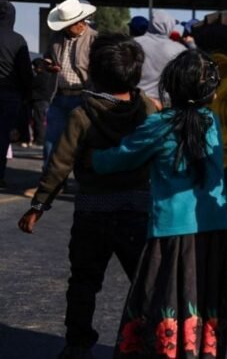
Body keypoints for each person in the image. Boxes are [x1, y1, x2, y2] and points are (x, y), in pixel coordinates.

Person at [17, 35, 153, 359]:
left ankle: (78, 344)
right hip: (137, 207)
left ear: (92, 73)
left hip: (93, 210)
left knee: (83, 281)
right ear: (136, 74)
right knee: (144, 283)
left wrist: (38, 207)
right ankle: (146, 341)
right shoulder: (146, 109)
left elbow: (59, 165)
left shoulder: (81, 115)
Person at [91, 50, 227, 358]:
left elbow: (115, 160)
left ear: (171, 87)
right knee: (202, 298)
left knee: (165, 298)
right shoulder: (211, 121)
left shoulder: (160, 125)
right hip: (215, 229)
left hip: (171, 231)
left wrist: (89, 154)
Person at [43, 0, 98, 168]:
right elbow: (47, 58)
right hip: (58, 97)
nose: (67, 27)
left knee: (84, 143)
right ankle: (50, 182)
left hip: (84, 98)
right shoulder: (56, 38)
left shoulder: (95, 39)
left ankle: (84, 182)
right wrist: (47, 65)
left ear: (81, 23)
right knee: (51, 141)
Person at [0, 0, 33, 188]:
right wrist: (28, 95)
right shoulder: (18, 40)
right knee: (3, 135)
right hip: (9, 94)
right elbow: (25, 71)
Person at [134, 10, 187, 108]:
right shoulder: (179, 49)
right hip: (165, 103)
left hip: (136, 100)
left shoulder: (133, 44)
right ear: (169, 25)